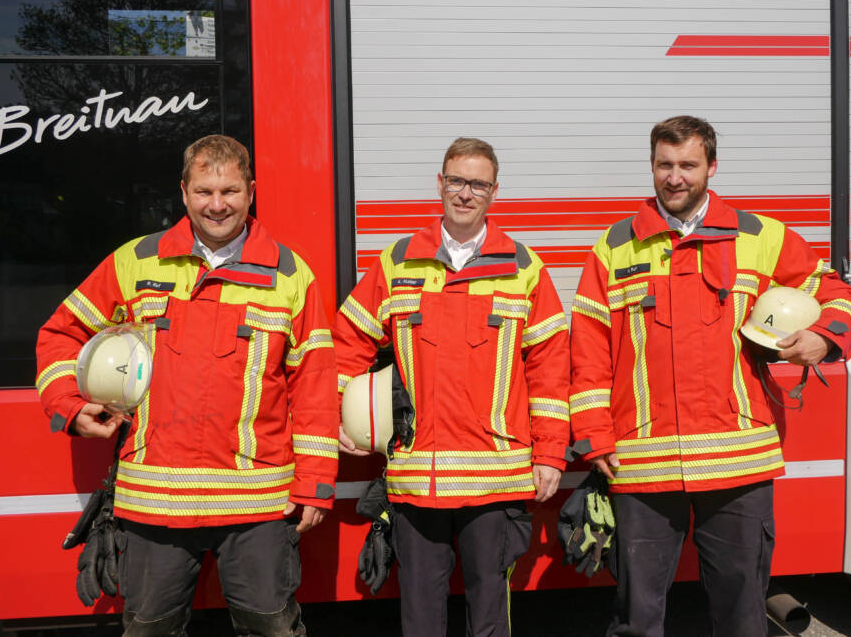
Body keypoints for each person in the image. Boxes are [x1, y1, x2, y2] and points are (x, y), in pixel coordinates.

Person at [35, 134, 339, 636]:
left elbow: (315, 385)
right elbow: (61, 335)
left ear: (251, 191)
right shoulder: (137, 262)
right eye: (204, 192)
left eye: (230, 191)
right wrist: (69, 404)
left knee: (272, 629)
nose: (216, 205)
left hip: (258, 505)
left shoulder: (289, 275)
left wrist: (315, 483)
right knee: (150, 629)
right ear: (183, 193)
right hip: (156, 502)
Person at [568, 116, 851, 637]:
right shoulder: (614, 249)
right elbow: (588, 349)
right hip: (643, 460)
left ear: (711, 167)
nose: (674, 177)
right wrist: (593, 435)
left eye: (687, 165)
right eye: (664, 165)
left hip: (737, 459)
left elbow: (835, 293)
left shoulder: (762, 238)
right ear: (652, 167)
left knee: (742, 614)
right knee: (636, 618)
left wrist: (825, 338)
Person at [333, 137, 571, 637]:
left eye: (478, 184)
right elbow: (347, 343)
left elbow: (549, 369)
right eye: (457, 181)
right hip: (418, 481)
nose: (466, 193)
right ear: (440, 184)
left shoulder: (523, 269)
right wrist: (341, 412)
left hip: (496, 481)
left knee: (490, 617)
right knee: (420, 619)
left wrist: (550, 454)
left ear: (494, 191)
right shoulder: (398, 263)